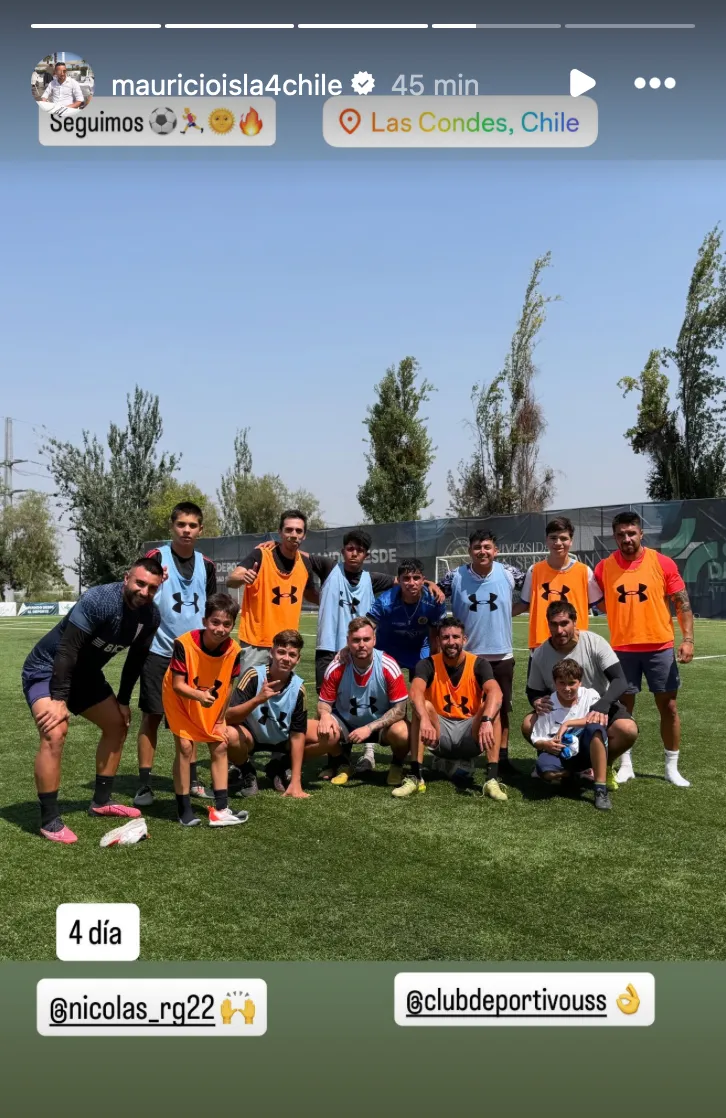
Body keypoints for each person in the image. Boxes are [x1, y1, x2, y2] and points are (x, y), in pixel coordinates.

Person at [21, 557, 163, 844]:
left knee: (117, 725)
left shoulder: (151, 616)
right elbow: (67, 650)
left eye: (151, 588)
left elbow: (135, 660)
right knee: (55, 731)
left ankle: (101, 803)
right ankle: (49, 819)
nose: (144, 592)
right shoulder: (99, 599)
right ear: (126, 579)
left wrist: (123, 700)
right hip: (47, 668)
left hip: (86, 676)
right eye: (140, 583)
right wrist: (60, 700)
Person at [593, 510, 693, 787]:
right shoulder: (603, 567)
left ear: (641, 533)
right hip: (622, 650)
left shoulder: (662, 563)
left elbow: (681, 603)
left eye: (631, 533)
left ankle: (671, 767)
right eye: (621, 534)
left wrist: (688, 640)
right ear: (614, 537)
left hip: (660, 646)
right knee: (624, 709)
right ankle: (627, 765)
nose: (626, 538)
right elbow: (598, 601)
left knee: (669, 707)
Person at [135, 501, 217, 807]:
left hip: (192, 656)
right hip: (157, 652)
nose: (186, 530)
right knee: (152, 717)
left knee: (191, 721)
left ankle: (192, 781)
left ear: (200, 529)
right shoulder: (156, 558)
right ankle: (145, 785)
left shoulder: (206, 565)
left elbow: (209, 610)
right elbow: (137, 592)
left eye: (192, 525)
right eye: (181, 524)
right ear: (172, 526)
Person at [522, 600, 637, 790]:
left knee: (627, 729)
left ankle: (603, 766)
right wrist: (536, 701)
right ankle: (556, 761)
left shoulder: (594, 642)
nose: (559, 630)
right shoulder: (541, 653)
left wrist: (604, 704)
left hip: (597, 706)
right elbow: (533, 689)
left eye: (564, 623)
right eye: (554, 624)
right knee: (528, 724)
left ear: (575, 621)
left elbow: (620, 680)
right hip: (562, 710)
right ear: (548, 624)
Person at [162, 593, 246, 827]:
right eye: (215, 622)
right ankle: (183, 807)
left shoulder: (235, 650)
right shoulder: (183, 644)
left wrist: (220, 719)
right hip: (179, 698)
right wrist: (199, 696)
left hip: (209, 698)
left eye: (227, 624)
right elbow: (178, 685)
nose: (220, 629)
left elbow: (229, 687)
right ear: (204, 621)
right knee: (186, 747)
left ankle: (221, 808)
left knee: (220, 743)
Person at [398, 615, 504, 799]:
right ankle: (416, 775)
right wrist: (424, 718)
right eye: (446, 637)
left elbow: (496, 692)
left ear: (464, 639)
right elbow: (415, 692)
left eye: (455, 637)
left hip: (470, 733)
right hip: (439, 733)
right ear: (438, 640)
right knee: (422, 705)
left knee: (492, 708)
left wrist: (486, 720)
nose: (451, 642)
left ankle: (492, 779)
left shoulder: (479, 664)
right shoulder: (427, 664)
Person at [442, 530, 519, 770]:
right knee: (468, 707)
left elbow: (533, 592)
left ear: (495, 551)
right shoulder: (454, 576)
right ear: (469, 551)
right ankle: (465, 753)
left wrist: (509, 613)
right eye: (477, 547)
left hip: (501, 655)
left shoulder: (510, 574)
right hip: (469, 657)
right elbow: (431, 596)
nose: (482, 551)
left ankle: (501, 758)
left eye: (487, 547)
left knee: (501, 708)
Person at [317, 617, 409, 786]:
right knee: (321, 727)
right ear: (348, 642)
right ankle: (341, 763)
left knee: (403, 731)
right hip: (346, 722)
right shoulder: (337, 666)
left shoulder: (388, 665)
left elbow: (401, 710)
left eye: (366, 639)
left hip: (380, 725)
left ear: (374, 639)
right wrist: (324, 715)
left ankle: (397, 765)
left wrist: (369, 728)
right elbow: (324, 704)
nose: (361, 644)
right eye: (356, 640)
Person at [227, 510, 319, 675]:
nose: (293, 534)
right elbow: (231, 579)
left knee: (281, 698)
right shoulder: (261, 554)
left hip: (287, 645)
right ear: (280, 532)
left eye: (299, 531)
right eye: (289, 529)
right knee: (249, 696)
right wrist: (243, 577)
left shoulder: (305, 564)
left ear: (304, 535)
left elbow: (311, 594)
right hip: (256, 643)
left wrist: (336, 601)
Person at [226, 629, 314, 799]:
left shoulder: (299, 688)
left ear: (298, 659)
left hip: (282, 739)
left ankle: (280, 767)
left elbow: (297, 735)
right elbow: (228, 717)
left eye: (292, 654)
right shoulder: (253, 675)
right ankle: (247, 770)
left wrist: (296, 781)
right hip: (252, 737)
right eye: (281, 652)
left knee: (329, 736)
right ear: (272, 652)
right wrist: (257, 700)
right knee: (228, 734)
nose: (286, 658)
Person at [530, 658, 612, 811]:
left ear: (580, 682)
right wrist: (546, 744)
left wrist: (567, 724)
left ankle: (600, 788)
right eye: (562, 683)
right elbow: (536, 738)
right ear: (555, 683)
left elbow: (596, 719)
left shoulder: (590, 695)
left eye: (572, 683)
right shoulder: (548, 703)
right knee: (546, 772)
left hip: (586, 750)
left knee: (596, 728)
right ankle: (571, 774)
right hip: (561, 753)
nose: (567, 688)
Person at [512, 516, 604, 650]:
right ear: (546, 540)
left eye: (564, 538)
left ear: (571, 541)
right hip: (541, 646)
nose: (558, 542)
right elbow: (523, 605)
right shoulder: (535, 571)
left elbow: (601, 605)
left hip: (575, 645)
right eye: (553, 538)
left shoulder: (584, 571)